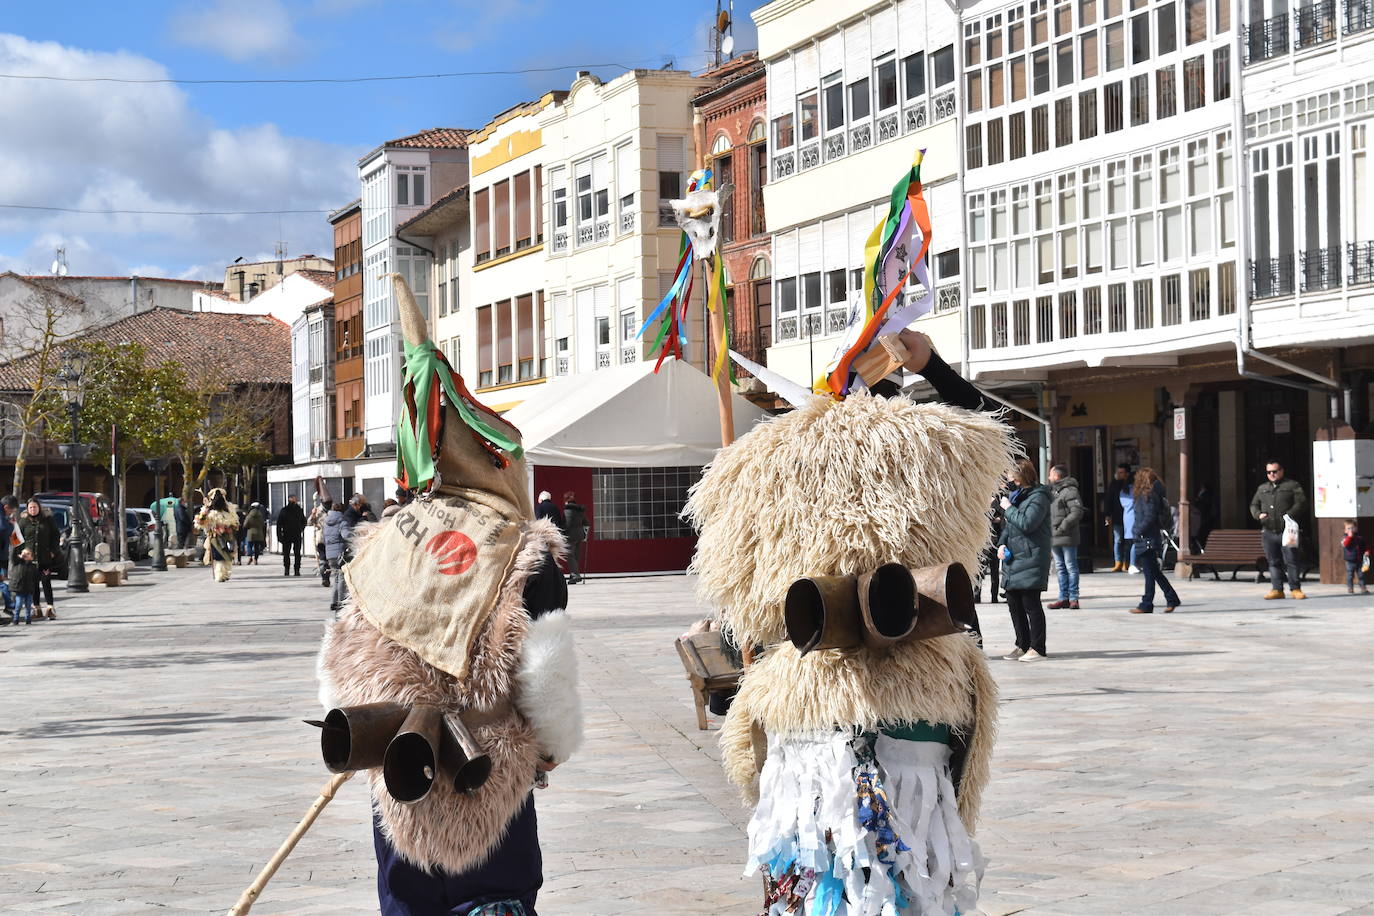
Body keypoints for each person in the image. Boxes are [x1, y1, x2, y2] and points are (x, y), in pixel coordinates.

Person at [686, 326, 1013, 914]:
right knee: (913, 878)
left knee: (817, 878)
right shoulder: (934, 455)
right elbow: (990, 438)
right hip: (917, 702)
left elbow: (742, 596)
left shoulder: (767, 461)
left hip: (809, 702)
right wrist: (933, 367)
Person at [317, 273, 583, 915]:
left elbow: (336, 669)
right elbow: (543, 673)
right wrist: (549, 748)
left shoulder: (386, 540)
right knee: (492, 898)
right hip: (487, 776)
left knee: (408, 901)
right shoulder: (523, 546)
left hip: (400, 778)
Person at [998, 458, 1052, 661]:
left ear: (1023, 477)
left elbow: (1027, 523)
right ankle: (1022, 644)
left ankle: (1037, 648)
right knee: (1013, 602)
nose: (1011, 481)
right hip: (1014, 558)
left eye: (1013, 477)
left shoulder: (1039, 497)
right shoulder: (1018, 496)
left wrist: (1008, 508)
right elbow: (1009, 527)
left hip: (1031, 556)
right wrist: (1002, 543)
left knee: (1031, 603)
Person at [1250, 459, 1308, 600]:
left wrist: (1289, 515)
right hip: (1269, 530)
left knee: (1291, 560)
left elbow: (1301, 502)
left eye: (1274, 471)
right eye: (1269, 472)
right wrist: (1258, 515)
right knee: (1273, 562)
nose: (1272, 474)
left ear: (1281, 471)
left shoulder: (1292, 485)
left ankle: (1295, 589)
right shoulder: (1262, 488)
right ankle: (1277, 589)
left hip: (1286, 530)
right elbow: (1254, 505)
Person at [1129, 467, 1182, 614]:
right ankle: (1171, 599)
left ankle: (1147, 604)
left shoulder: (1148, 495)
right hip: (1148, 538)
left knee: (1150, 574)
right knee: (1153, 573)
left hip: (1147, 539)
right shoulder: (1149, 495)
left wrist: (1137, 530)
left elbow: (1150, 516)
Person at [1047, 463, 1084, 609]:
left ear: (1056, 476)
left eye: (1050, 474)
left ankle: (1073, 597)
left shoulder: (1070, 491)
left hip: (1066, 535)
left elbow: (1077, 511)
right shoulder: (1051, 492)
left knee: (1070, 566)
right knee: (1060, 568)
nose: (1049, 477)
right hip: (1053, 536)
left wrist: (1062, 527)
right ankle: (1063, 597)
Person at [16, 498, 60, 620]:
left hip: (44, 557)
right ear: (27, 509)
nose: (33, 509)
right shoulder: (23, 522)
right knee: (33, 584)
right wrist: (20, 553)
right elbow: (17, 538)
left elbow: (55, 535)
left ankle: (50, 608)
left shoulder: (47, 520)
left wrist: (53, 550)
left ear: (39, 508)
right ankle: (37, 609)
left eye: (35, 507)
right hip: (29, 559)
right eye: (30, 507)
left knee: (46, 581)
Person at [195, 489, 239, 583]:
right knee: (221, 556)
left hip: (223, 536)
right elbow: (201, 521)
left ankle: (223, 574)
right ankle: (221, 574)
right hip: (216, 536)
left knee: (224, 556)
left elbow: (235, 523)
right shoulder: (210, 510)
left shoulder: (227, 509)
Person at [322, 500, 350, 614]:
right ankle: (340, 602)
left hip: (329, 554)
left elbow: (324, 538)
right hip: (340, 553)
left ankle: (333, 601)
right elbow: (346, 535)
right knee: (342, 579)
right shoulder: (342, 521)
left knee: (336, 578)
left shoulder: (326, 522)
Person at [1104, 464, 1133, 572]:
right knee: (1118, 540)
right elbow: (1108, 500)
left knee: (1129, 541)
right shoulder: (1114, 484)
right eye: (1118, 472)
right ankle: (1118, 562)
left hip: (1130, 517)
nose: (1119, 474)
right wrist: (1107, 514)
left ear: (1127, 474)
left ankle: (1127, 562)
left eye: (1122, 472)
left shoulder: (1131, 484)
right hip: (1117, 516)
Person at [561, 491, 589, 584]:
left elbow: (567, 524)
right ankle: (573, 575)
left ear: (566, 501)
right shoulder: (579, 510)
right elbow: (586, 522)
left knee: (570, 555)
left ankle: (575, 575)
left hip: (571, 536)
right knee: (575, 555)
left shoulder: (568, 511)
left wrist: (562, 532)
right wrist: (584, 533)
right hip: (579, 536)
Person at [276, 495, 307, 577]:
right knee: (296, 553)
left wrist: (279, 535)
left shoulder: (285, 510)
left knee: (287, 553)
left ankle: (288, 570)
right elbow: (304, 521)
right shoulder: (298, 510)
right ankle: (296, 570)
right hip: (295, 534)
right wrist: (300, 529)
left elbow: (279, 524)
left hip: (287, 534)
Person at [10, 547, 37, 625]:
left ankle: (28, 618)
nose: (25, 555)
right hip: (19, 589)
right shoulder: (17, 562)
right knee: (18, 605)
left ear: (31, 557)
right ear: (20, 555)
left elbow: (36, 577)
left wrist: (43, 574)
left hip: (29, 589)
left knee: (28, 605)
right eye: (23, 553)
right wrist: (15, 547)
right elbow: (13, 555)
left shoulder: (33, 566)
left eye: (28, 554)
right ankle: (16, 618)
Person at [1118, 471, 1139, 574]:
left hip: (1127, 517)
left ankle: (1127, 563)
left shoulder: (1123, 490)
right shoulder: (1136, 490)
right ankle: (1132, 564)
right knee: (1136, 541)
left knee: (1130, 543)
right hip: (1135, 517)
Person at [1342, 520, 1369, 595]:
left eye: (1352, 528)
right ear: (1345, 530)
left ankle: (1363, 587)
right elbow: (1345, 544)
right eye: (1348, 528)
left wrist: (1367, 551)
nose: (1351, 530)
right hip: (1350, 561)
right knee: (1350, 575)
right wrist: (1349, 537)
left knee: (1361, 574)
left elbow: (1364, 546)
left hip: (1359, 559)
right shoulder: (1345, 538)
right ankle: (1350, 588)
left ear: (1356, 528)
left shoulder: (1360, 538)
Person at [309, 498, 331, 587]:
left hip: (330, 539)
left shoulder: (332, 510)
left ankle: (327, 576)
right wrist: (313, 514)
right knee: (323, 560)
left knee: (329, 561)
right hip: (321, 539)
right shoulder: (318, 510)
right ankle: (324, 578)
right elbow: (310, 522)